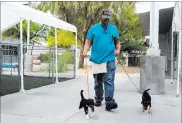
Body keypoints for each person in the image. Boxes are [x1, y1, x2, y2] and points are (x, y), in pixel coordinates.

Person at [83, 9, 121, 111]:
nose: (106, 20)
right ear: (100, 17)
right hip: (97, 59)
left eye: (108, 19)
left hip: (109, 58)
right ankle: (98, 99)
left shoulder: (113, 29)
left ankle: (109, 101)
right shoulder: (93, 29)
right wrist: (85, 51)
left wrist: (118, 49)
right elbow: (88, 42)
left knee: (109, 80)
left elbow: (117, 42)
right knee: (98, 81)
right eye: (104, 18)